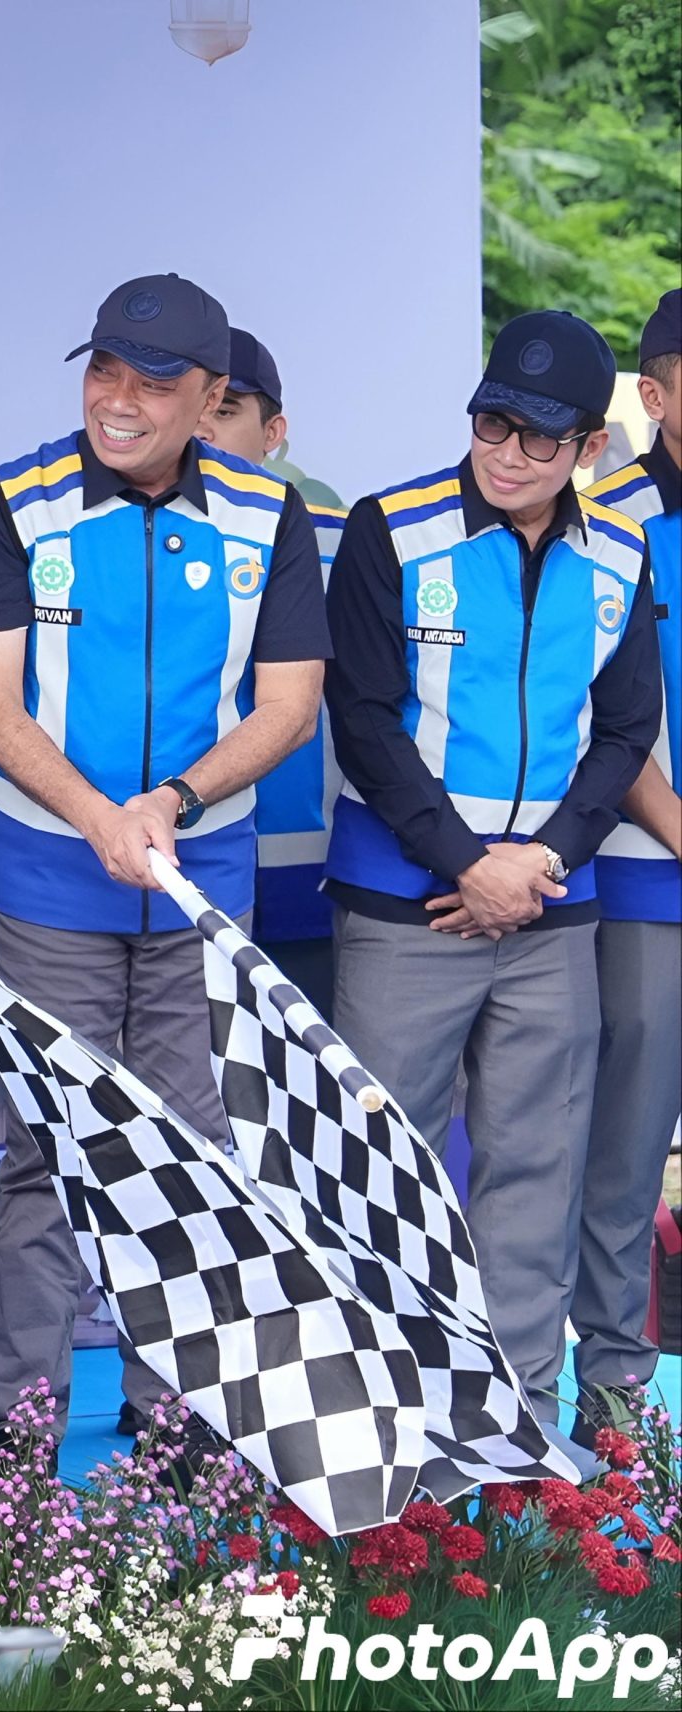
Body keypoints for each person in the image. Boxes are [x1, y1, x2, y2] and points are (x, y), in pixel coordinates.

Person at [0, 275, 328, 1438]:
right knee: (49, 1147)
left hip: (198, 880)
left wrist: (171, 800)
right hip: (47, 880)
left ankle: (176, 1421)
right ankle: (25, 1424)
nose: (117, 399)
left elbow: (288, 703)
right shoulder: (9, 502)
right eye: (103, 369)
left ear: (211, 399)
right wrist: (98, 815)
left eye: (154, 383)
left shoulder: (269, 513)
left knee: (192, 1153)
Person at [325, 308, 658, 1408]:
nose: (508, 454)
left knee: (535, 1173)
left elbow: (625, 732)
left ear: (589, 446)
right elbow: (361, 718)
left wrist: (541, 863)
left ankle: (521, 1429)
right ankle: (388, 1425)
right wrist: (467, 863)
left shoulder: (620, 551)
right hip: (405, 906)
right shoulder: (390, 529)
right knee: (384, 1173)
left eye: (540, 436)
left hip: (552, 912)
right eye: (492, 424)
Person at [570, 287, 682, 1448]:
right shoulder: (606, 520)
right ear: (653, 394)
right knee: (627, 1150)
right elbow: (604, 712)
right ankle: (612, 1395)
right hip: (649, 875)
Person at [200, 329, 349, 1008]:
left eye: (225, 409)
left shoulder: (341, 540)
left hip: (304, 873)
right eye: (190, 404)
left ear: (273, 433)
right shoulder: (111, 534)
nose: (201, 426)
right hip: (165, 866)